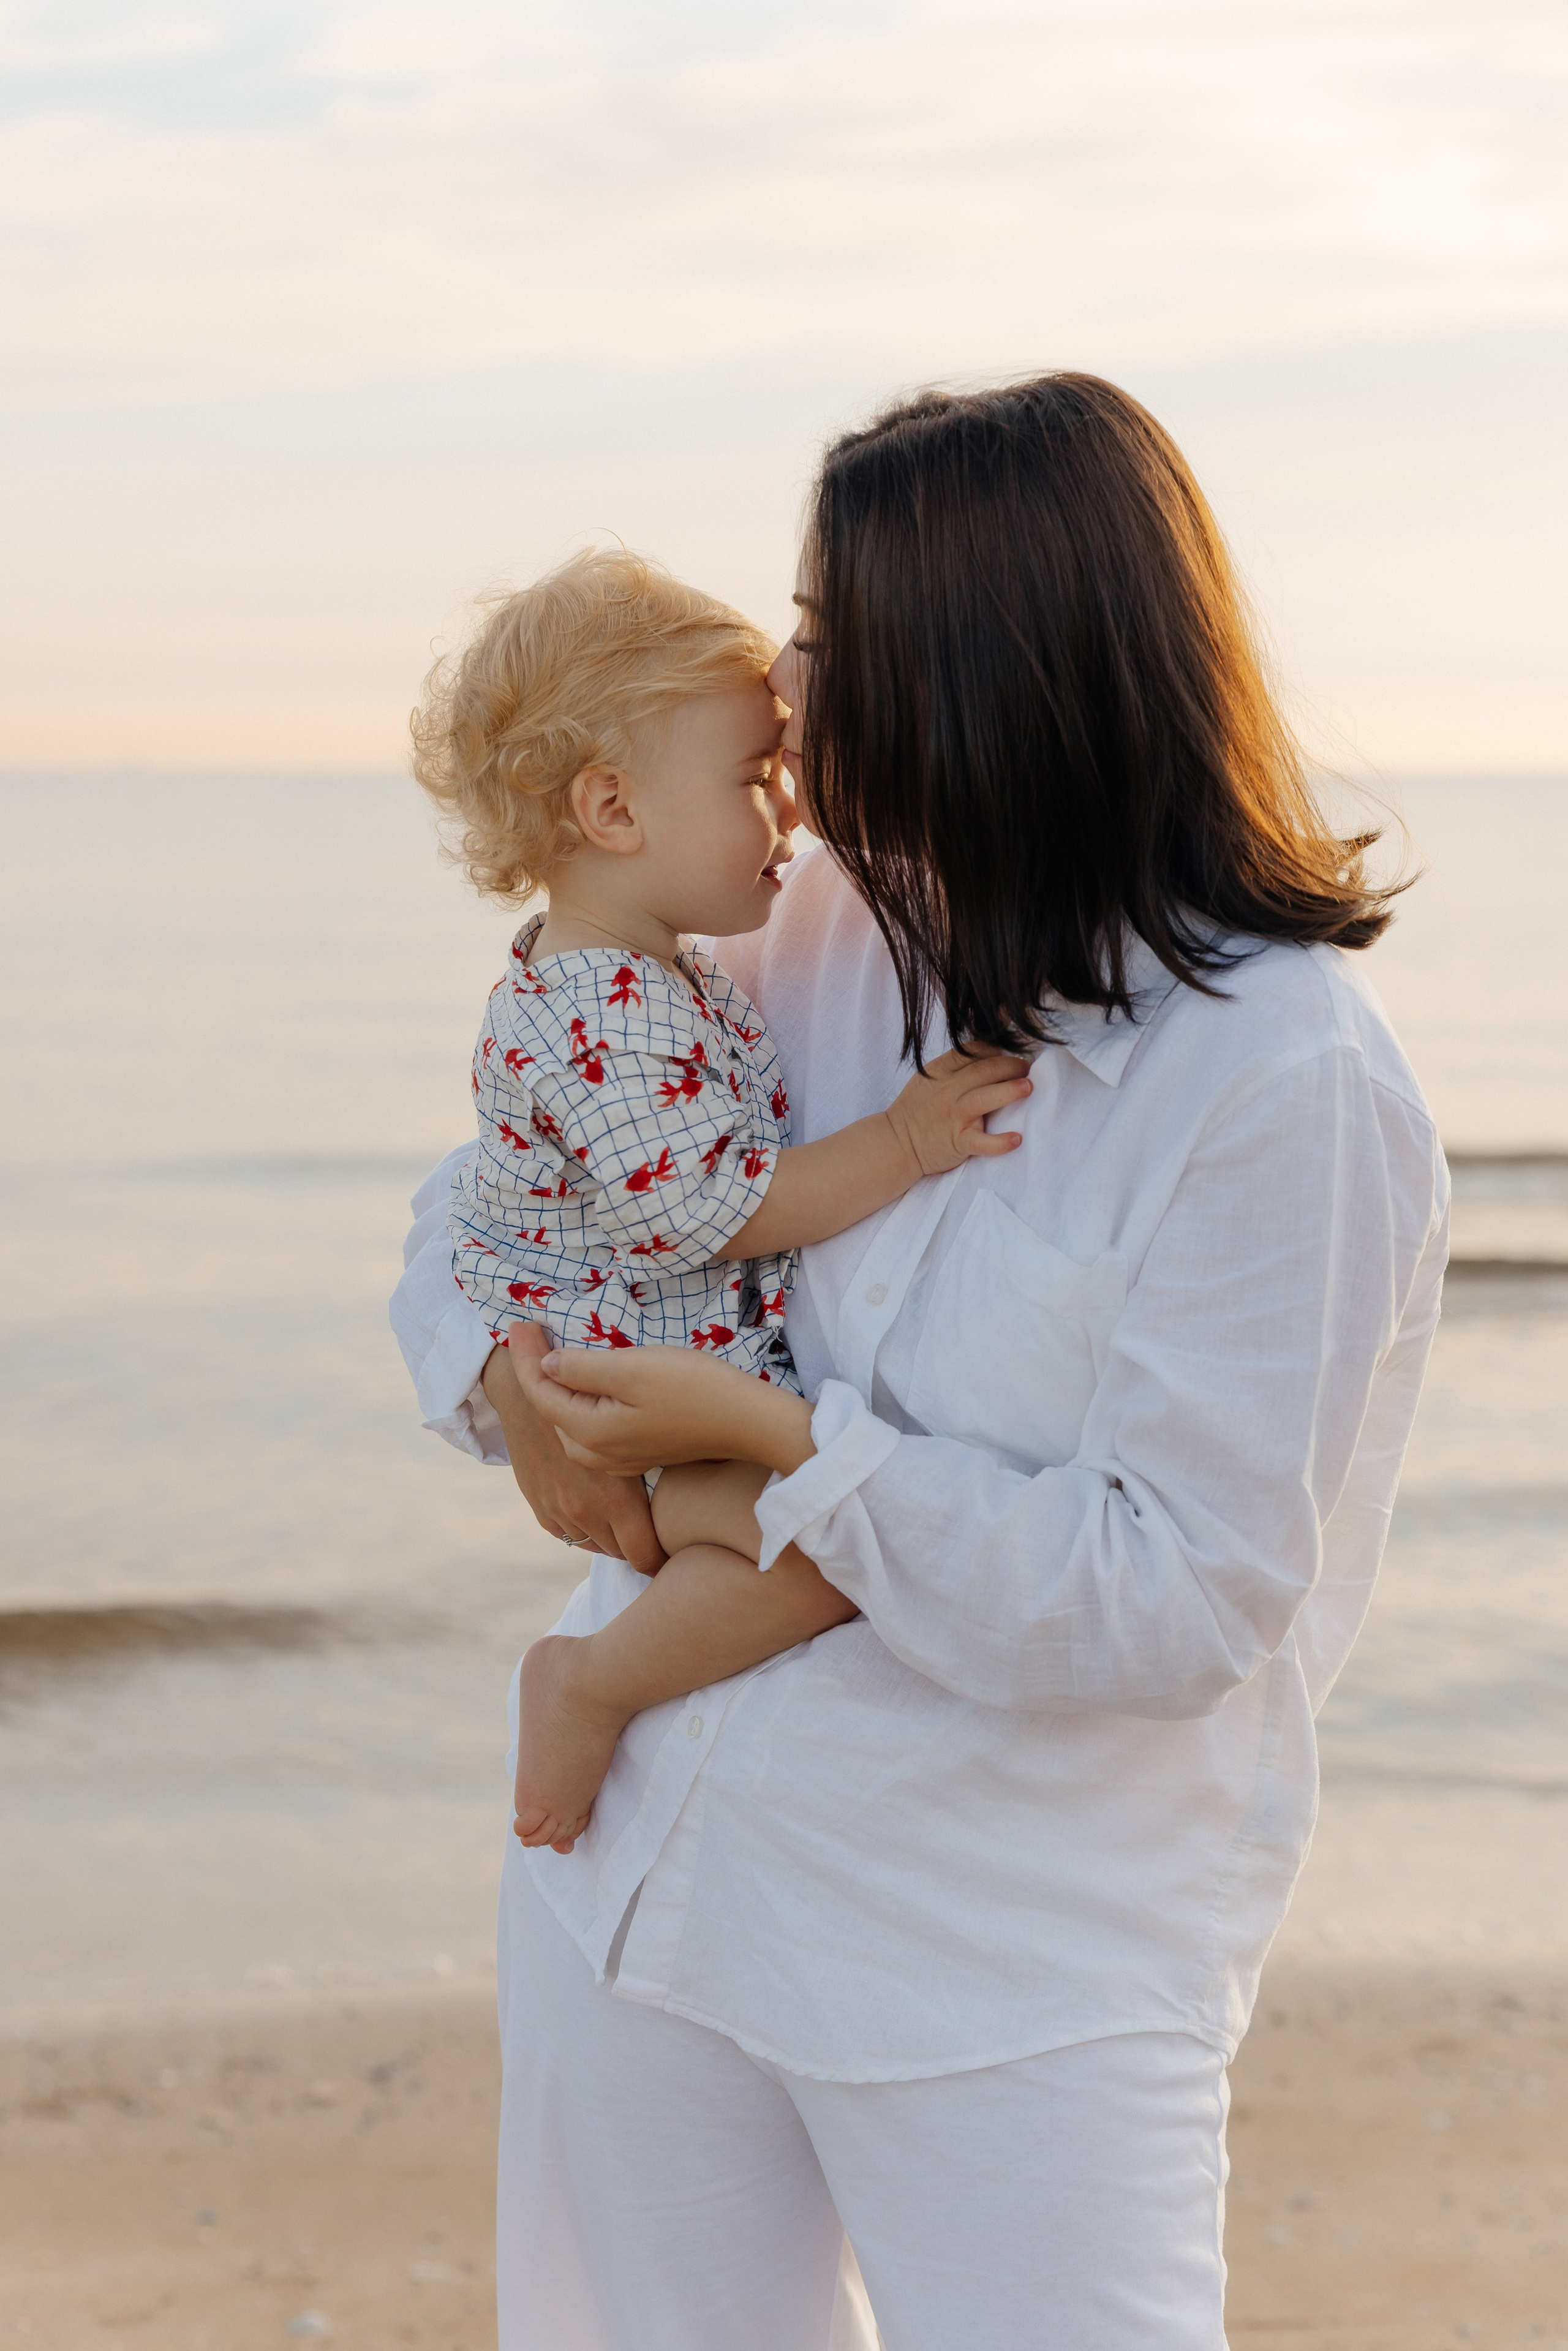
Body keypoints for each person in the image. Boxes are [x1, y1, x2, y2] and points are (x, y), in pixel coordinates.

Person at [391, 372, 1449, 2351]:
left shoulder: (1282, 1080)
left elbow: (1177, 1598)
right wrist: (507, 1379)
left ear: (980, 665)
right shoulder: (812, 928)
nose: (781, 684)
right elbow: (500, 1193)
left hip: (996, 1964)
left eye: (823, 628)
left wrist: (782, 1441)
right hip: (638, 1875)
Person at [411, 550, 1028, 1851]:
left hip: (651, 1378)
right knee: (820, 1556)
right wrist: (904, 1139)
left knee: (816, 1542)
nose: (789, 806)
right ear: (613, 809)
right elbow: (707, 1210)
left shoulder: (643, 970)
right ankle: (588, 1682)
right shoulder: (606, 1010)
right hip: (646, 1396)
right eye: (753, 779)